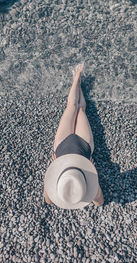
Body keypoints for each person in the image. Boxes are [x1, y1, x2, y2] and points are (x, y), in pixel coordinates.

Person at [44, 64, 104, 209]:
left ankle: (77, 78)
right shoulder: (60, 185)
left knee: (74, 107)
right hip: (77, 147)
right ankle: (77, 79)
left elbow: (48, 200)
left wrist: (92, 175)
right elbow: (100, 202)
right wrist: (53, 166)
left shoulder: (65, 186)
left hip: (65, 148)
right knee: (79, 109)